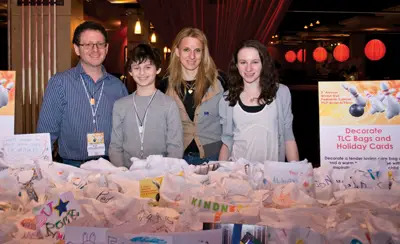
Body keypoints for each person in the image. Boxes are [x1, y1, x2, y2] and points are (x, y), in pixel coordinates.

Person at [37, 21, 128, 167]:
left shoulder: (118, 87)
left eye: (100, 44)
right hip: (72, 167)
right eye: (87, 45)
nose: (95, 49)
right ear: (77, 49)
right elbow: (46, 132)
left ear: (107, 48)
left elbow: (127, 131)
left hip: (110, 166)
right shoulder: (60, 83)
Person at [219, 40, 299, 162]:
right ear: (236, 65)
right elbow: (227, 142)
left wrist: (296, 172)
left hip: (272, 173)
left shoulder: (281, 93)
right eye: (243, 62)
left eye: (255, 62)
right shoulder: (227, 98)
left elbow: (288, 138)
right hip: (238, 173)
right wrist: (221, 172)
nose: (248, 68)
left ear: (263, 64)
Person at [109, 44, 183, 168]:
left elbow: (175, 146)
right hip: (127, 173)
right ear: (130, 72)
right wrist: (121, 172)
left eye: (148, 67)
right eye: (137, 68)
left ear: (158, 69)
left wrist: (168, 172)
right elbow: (115, 146)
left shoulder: (168, 105)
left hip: (161, 173)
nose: (142, 73)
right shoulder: (120, 105)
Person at [162, 27, 224, 165]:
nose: (192, 56)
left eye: (197, 50)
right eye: (186, 50)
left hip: (213, 159)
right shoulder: (164, 85)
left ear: (204, 53)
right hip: (178, 159)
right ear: (177, 51)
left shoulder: (220, 82)